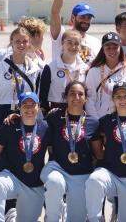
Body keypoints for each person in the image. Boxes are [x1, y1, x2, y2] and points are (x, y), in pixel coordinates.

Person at [0, 92, 49, 222]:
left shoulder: (45, 127)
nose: (29, 108)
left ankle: (11, 215)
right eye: (25, 105)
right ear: (19, 107)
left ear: (38, 107)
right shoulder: (10, 124)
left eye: (32, 105)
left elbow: (55, 152)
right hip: (13, 179)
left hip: (34, 185)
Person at [86, 81, 126, 222]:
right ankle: (94, 219)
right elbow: (97, 149)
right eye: (118, 96)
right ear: (113, 100)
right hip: (111, 176)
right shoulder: (105, 121)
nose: (122, 100)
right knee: (94, 179)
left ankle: (121, 211)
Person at [41, 81, 102, 222]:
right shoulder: (54, 117)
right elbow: (36, 129)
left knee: (76, 218)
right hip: (58, 168)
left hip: (82, 173)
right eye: (72, 94)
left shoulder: (93, 122)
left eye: (80, 94)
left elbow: (98, 153)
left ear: (86, 98)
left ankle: (65, 212)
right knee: (54, 182)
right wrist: (17, 117)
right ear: (66, 97)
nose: (76, 97)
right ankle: (53, 217)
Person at [0, 27, 43, 132]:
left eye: (25, 41)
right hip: (3, 115)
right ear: (11, 42)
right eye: (17, 41)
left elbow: (38, 96)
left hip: (28, 114)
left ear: (29, 43)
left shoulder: (35, 70)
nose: (21, 45)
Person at [50, 0, 101, 64]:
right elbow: (55, 12)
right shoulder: (61, 35)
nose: (86, 20)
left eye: (89, 18)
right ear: (73, 18)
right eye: (82, 17)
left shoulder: (95, 42)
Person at [85, 32, 126, 119]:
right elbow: (90, 99)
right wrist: (96, 120)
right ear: (103, 50)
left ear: (120, 48)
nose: (112, 50)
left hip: (124, 119)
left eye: (115, 47)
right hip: (100, 119)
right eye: (108, 47)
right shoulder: (94, 72)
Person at [38, 29, 88, 114]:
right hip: (56, 112)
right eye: (69, 42)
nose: (73, 47)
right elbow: (42, 96)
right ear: (62, 43)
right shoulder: (50, 68)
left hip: (78, 111)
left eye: (76, 43)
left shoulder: (85, 68)